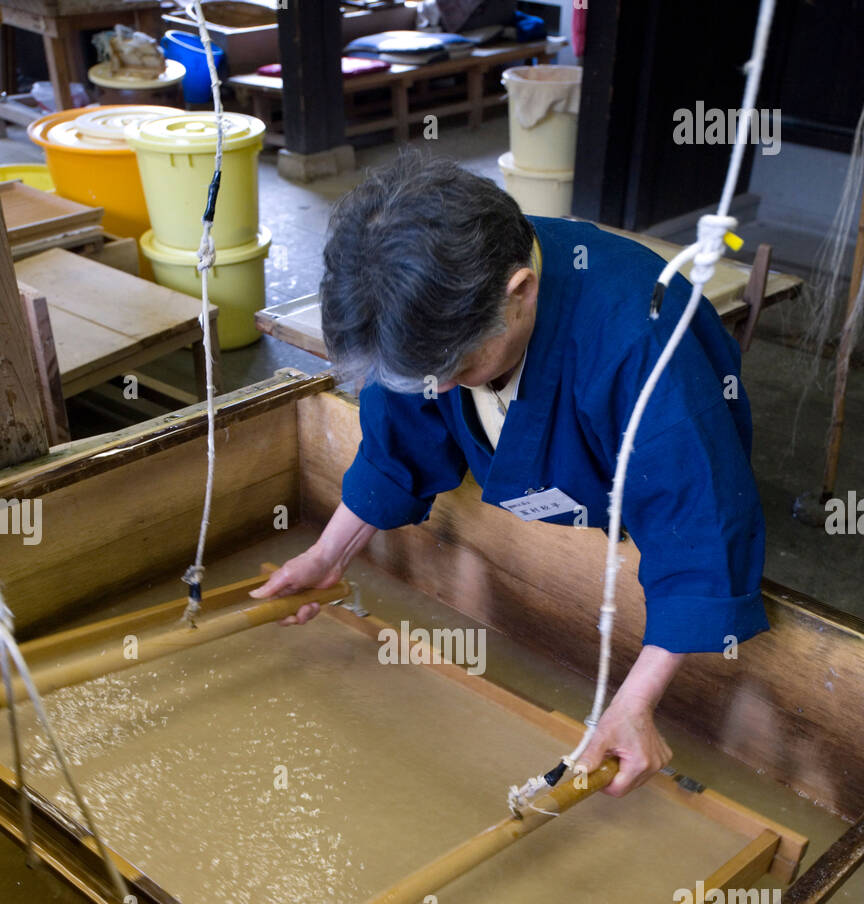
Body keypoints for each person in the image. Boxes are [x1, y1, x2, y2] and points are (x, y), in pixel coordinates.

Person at [252, 153, 768, 796]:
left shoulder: (644, 339)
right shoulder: (424, 313)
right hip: (551, 492)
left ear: (519, 292)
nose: (436, 388)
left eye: (455, 368)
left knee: (680, 525)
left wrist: (634, 705)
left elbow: (699, 531)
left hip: (650, 507)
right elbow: (399, 445)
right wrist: (329, 555)